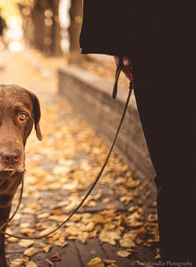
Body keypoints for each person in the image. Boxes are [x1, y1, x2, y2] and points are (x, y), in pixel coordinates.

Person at [80, 1, 195, 265]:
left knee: (175, 167)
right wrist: (121, 41)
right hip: (160, 34)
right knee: (176, 166)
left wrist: (120, 41)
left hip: (158, 35)